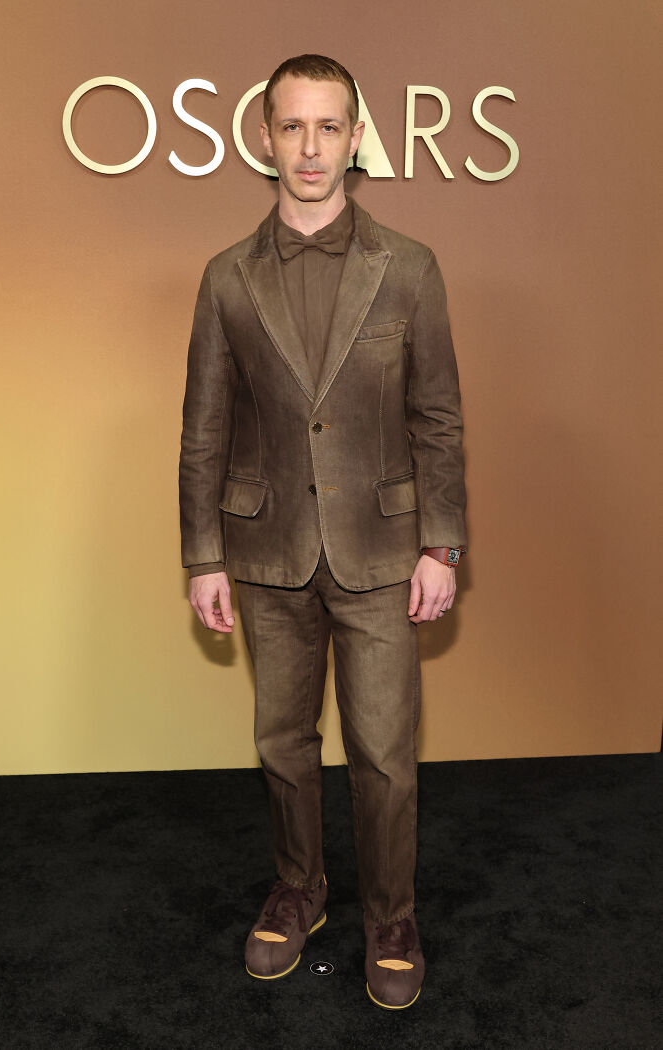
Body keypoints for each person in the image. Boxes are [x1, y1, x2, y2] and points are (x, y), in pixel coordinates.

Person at [179, 53, 467, 1010]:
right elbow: (205, 430)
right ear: (265, 137)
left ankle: (392, 916)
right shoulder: (226, 278)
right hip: (266, 552)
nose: (310, 148)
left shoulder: (410, 267)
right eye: (293, 126)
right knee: (281, 743)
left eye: (329, 126)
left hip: (383, 555)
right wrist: (203, 556)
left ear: (355, 138)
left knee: (385, 754)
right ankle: (301, 889)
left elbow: (437, 419)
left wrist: (443, 545)